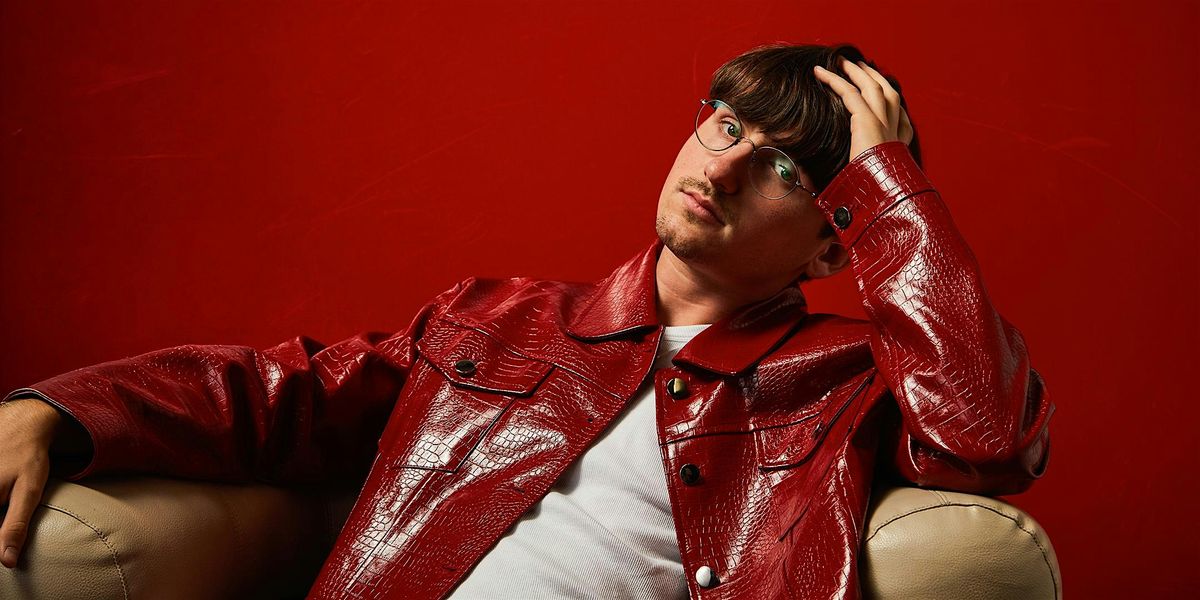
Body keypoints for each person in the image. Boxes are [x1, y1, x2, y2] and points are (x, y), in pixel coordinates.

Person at [0, 43, 1054, 599]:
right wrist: (54, 409)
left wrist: (890, 192)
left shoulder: (851, 376)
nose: (724, 166)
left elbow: (983, 440)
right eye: (726, 124)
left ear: (833, 242)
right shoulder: (497, 318)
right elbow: (281, 395)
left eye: (782, 166)